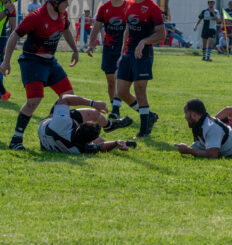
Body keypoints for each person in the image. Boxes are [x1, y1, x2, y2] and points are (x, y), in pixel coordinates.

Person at [0, 0, 79, 150]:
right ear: (55, 2)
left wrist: (75, 49)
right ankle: (16, 139)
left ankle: (50, 130)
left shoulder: (62, 15)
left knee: (68, 96)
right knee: (34, 100)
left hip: (50, 62)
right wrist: (6, 62)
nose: (68, 4)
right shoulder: (36, 17)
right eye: (66, 1)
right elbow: (14, 36)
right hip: (32, 61)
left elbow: (66, 30)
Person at [115, 0, 165, 138]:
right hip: (128, 53)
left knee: (140, 90)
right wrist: (121, 54)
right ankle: (149, 116)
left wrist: (144, 41)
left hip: (144, 53)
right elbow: (127, 30)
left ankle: (144, 131)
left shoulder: (152, 7)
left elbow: (162, 34)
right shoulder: (129, 4)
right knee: (122, 92)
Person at [38, 94, 135, 154]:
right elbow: (101, 146)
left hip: (48, 124)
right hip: (48, 138)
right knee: (100, 137)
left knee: (93, 114)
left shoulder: (63, 123)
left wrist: (93, 103)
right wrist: (115, 143)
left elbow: (63, 98)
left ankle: (108, 125)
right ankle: (109, 125)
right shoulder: (80, 149)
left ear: (80, 126)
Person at [87, 0, 128, 120]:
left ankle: (115, 109)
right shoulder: (104, 8)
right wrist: (90, 44)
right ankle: (114, 107)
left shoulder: (128, 6)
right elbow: (96, 27)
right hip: (109, 48)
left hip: (124, 48)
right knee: (111, 81)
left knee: (118, 76)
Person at [0, 0, 15, 101]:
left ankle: (2, 93)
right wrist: (6, 11)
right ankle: (3, 92)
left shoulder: (10, 4)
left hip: (1, 38)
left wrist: (9, 43)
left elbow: (13, 26)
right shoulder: (7, 7)